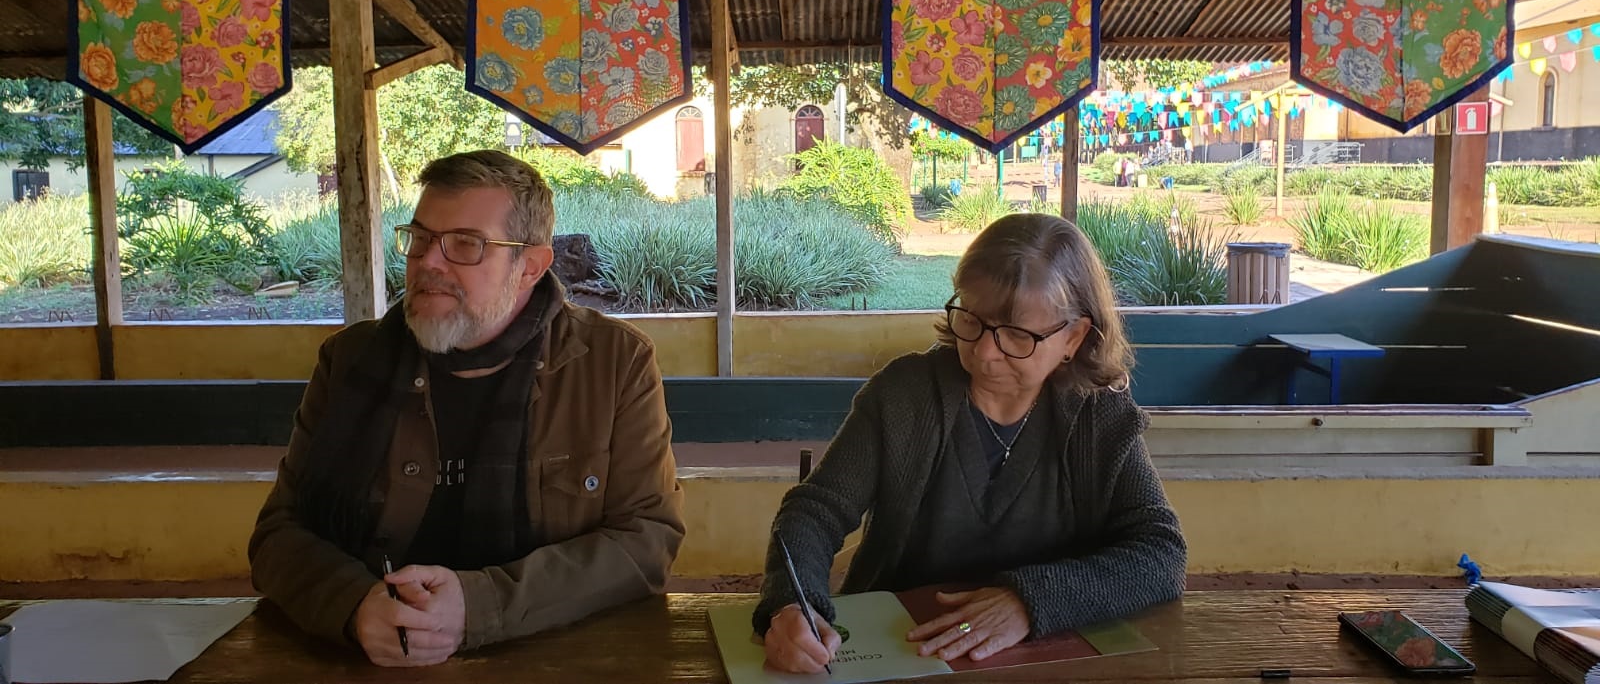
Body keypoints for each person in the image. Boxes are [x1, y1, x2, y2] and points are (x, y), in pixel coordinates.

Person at [249, 150, 685, 667]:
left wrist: (481, 605)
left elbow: (646, 541)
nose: (429, 263)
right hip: (367, 658)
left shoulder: (615, 364)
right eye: (420, 239)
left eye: (465, 245)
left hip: (551, 656)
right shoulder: (349, 362)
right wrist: (353, 606)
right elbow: (278, 534)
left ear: (529, 266)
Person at [753, 213, 1186, 674]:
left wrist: (1029, 602)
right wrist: (789, 607)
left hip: (1043, 658)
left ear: (1074, 337)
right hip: (899, 652)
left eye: (1017, 335)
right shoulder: (904, 396)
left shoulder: (1097, 415)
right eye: (972, 321)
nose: (983, 351)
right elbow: (815, 512)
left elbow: (1161, 552)